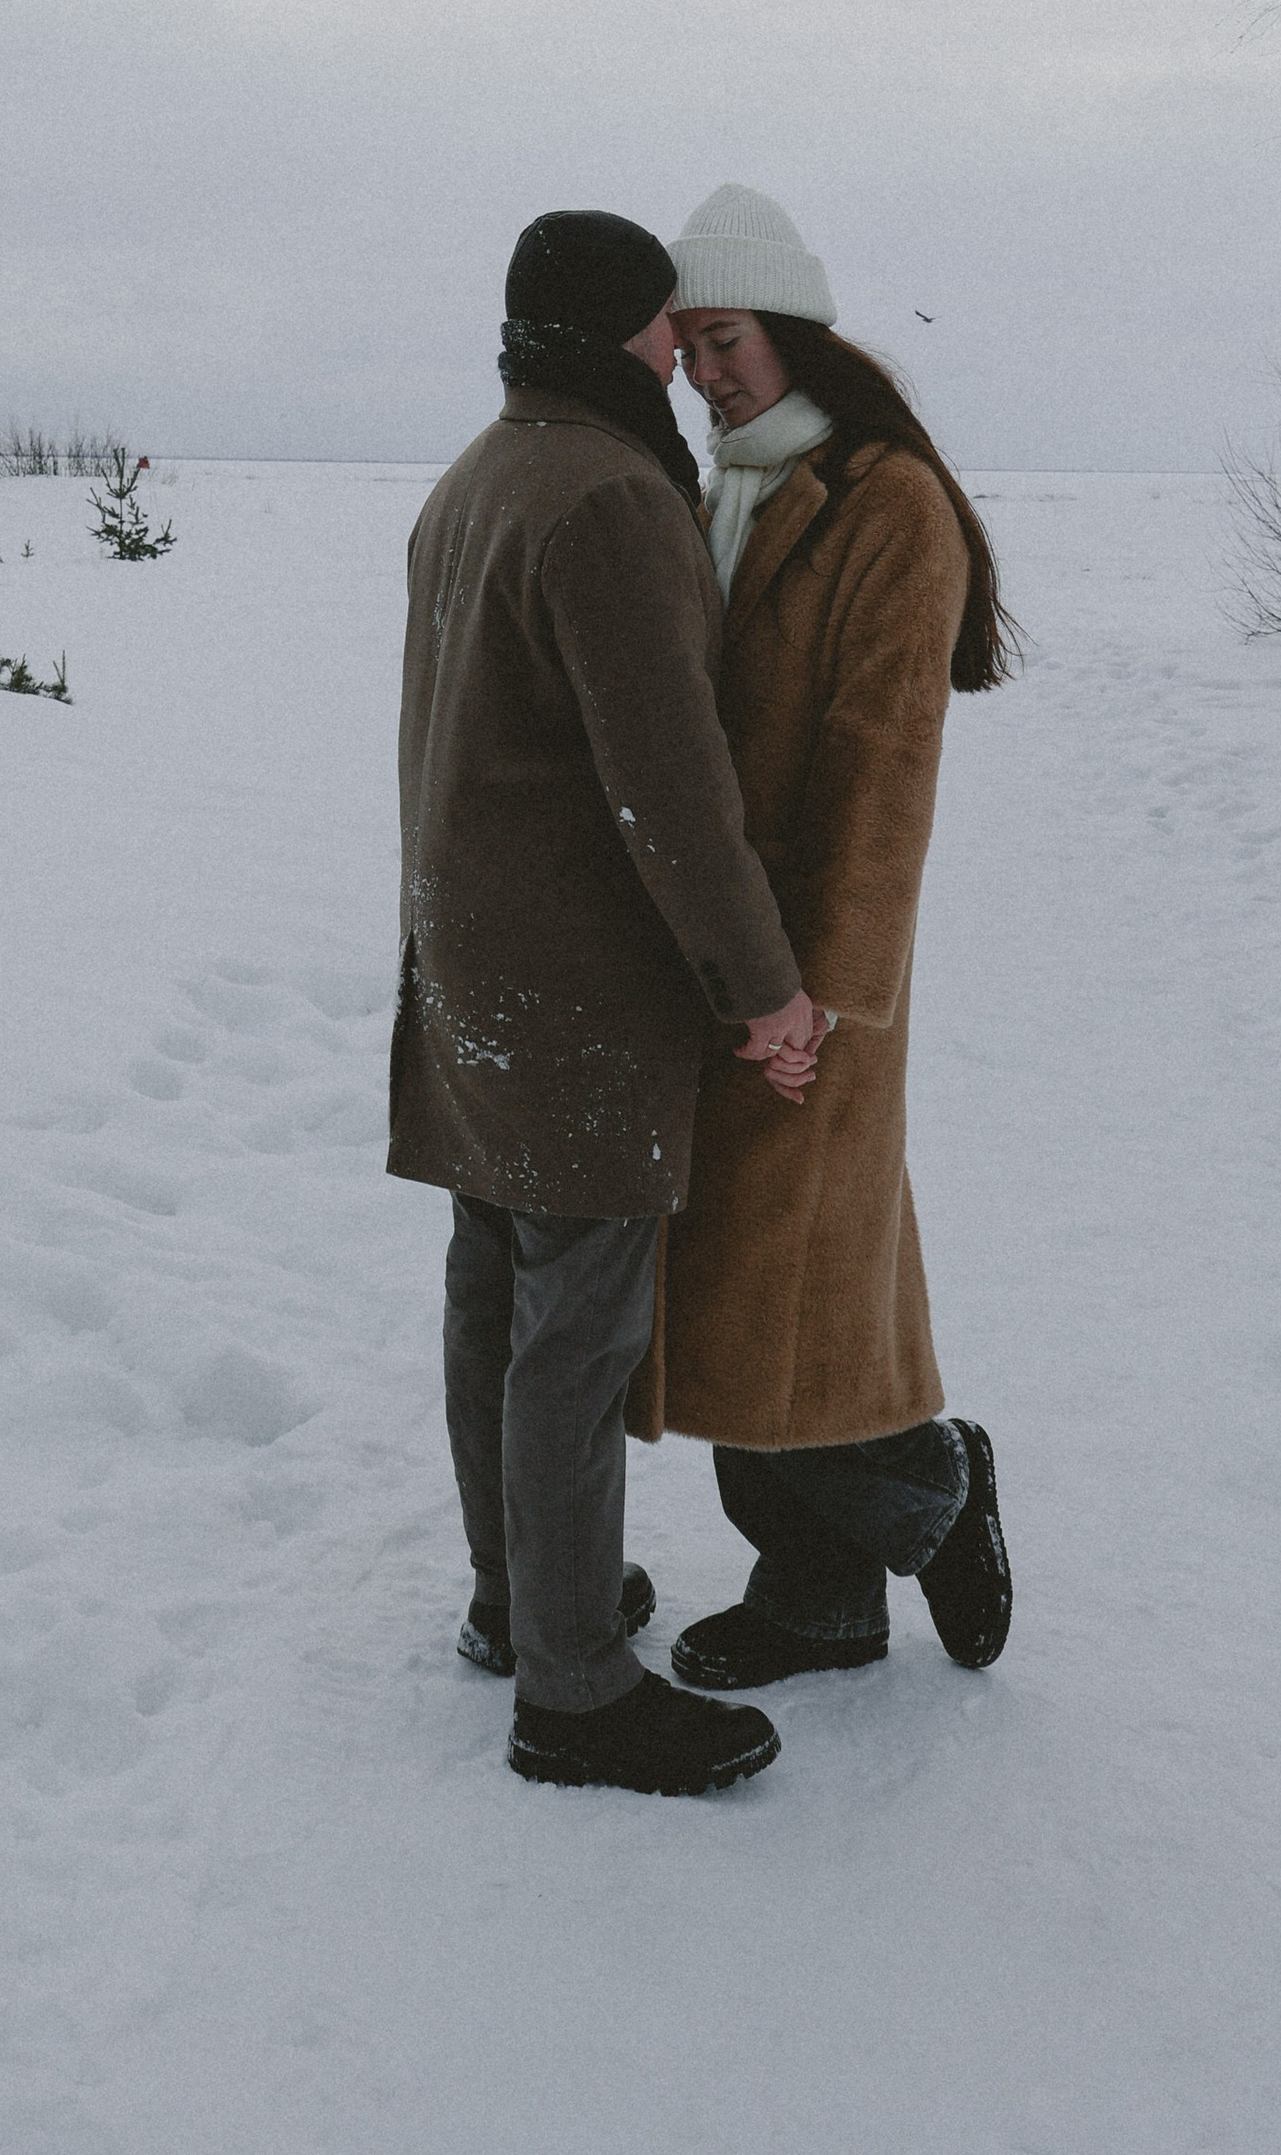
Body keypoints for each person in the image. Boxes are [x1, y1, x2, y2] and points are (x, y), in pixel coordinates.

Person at [392, 208, 828, 1796]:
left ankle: (523, 1605)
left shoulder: (480, 475)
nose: (678, 352)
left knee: (494, 1298)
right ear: (611, 333)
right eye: (663, 324)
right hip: (575, 991)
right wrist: (763, 990)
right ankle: (575, 1695)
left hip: (471, 970)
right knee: (573, 1335)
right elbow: (674, 794)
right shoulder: (609, 499)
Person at [631, 182, 1015, 1690]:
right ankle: (819, 1599)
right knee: (744, 1278)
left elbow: (883, 769)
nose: (707, 372)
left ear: (790, 330)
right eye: (690, 346)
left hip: (812, 977)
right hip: (722, 960)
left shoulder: (885, 505)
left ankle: (934, 1487)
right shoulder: (718, 485)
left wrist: (820, 998)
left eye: (725, 340)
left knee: (789, 1275)